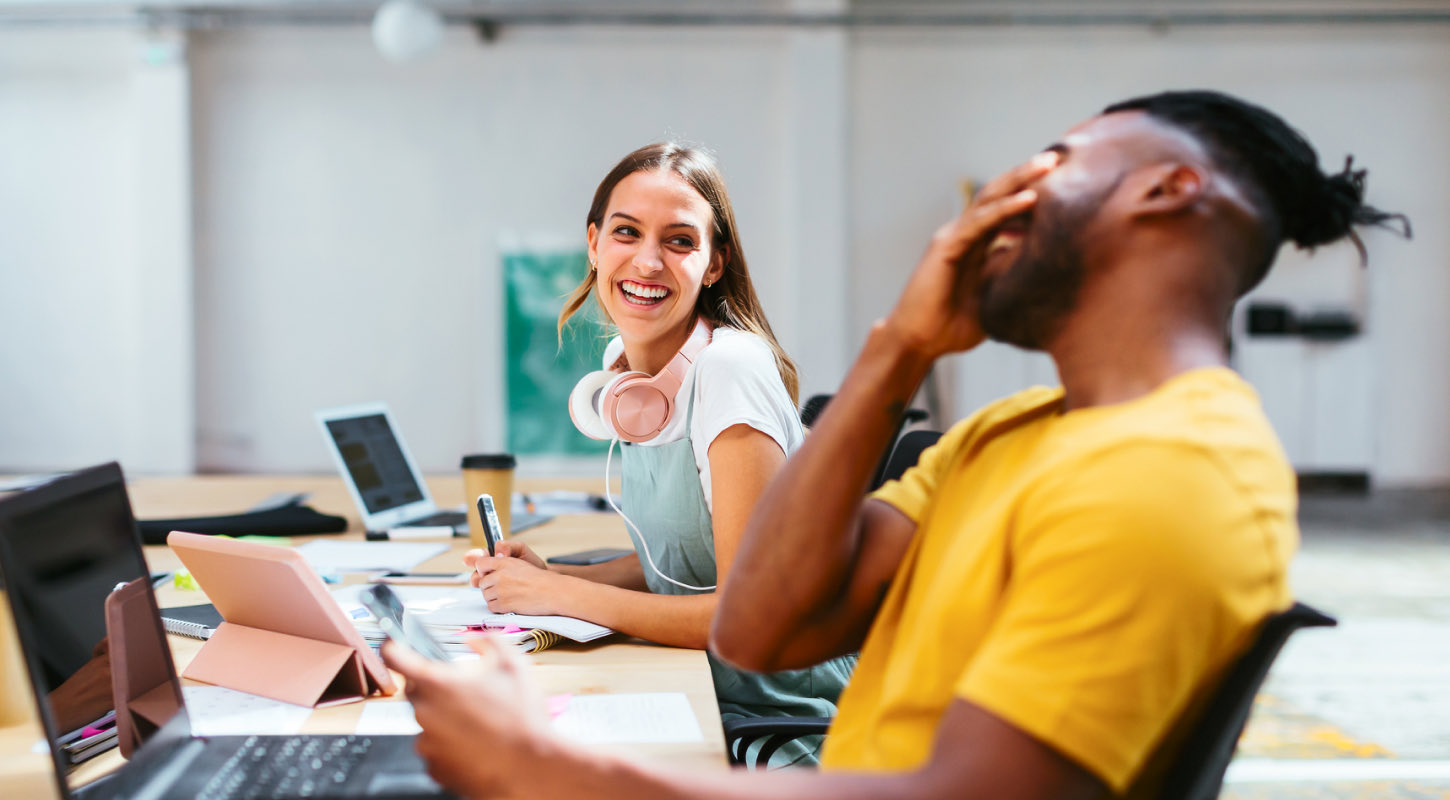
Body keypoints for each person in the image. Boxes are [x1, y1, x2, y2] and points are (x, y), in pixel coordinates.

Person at [385, 91, 1409, 799]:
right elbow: (763, 622)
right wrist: (901, 345)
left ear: (1165, 189)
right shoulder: (1011, 431)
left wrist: (556, 771)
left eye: (1054, 159)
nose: (1006, 187)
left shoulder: (1175, 471)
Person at [465, 142, 855, 765]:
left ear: (713, 264)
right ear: (593, 245)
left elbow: (745, 613)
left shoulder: (728, 368)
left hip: (786, 722)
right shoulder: (632, 382)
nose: (647, 260)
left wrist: (563, 599)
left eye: (679, 240)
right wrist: (557, 576)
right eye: (626, 232)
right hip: (705, 690)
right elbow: (682, 562)